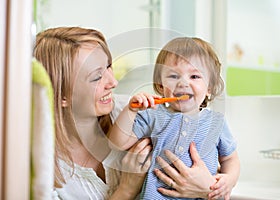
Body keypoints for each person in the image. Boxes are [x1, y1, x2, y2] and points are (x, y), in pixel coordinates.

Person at [34, 27, 220, 200]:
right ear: (62, 96)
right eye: (97, 77)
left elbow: (208, 162)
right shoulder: (40, 171)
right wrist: (127, 189)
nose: (113, 82)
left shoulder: (137, 112)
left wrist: (208, 189)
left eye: (108, 66)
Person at [108, 37, 240, 199]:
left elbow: (230, 159)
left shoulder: (216, 122)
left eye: (194, 77)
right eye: (173, 76)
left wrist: (229, 180)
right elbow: (117, 143)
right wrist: (130, 110)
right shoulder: (153, 114)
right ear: (161, 86)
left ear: (209, 88)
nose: (183, 83)